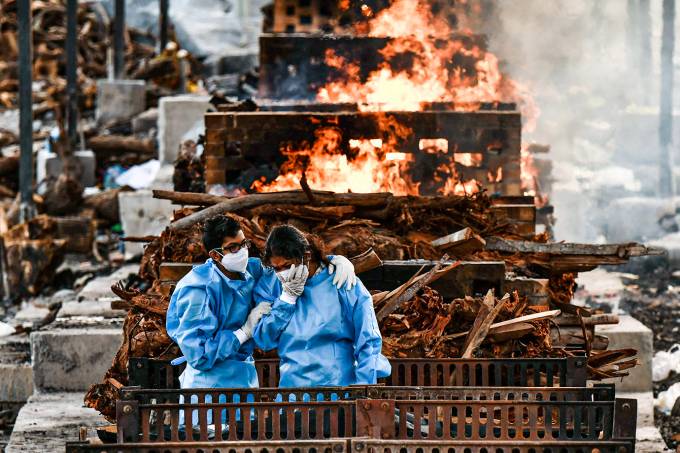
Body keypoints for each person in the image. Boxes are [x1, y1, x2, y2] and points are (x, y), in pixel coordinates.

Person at [166, 215, 358, 391]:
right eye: (233, 248)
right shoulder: (197, 290)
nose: (242, 252)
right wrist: (243, 333)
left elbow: (289, 262)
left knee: (245, 429)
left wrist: (333, 260)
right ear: (215, 255)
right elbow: (199, 355)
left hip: (245, 377)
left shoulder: (251, 269)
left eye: (244, 244)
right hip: (207, 388)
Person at [252, 225, 391, 388]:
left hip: (339, 393)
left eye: (287, 266)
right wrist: (286, 300)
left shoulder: (342, 281)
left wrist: (364, 387)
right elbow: (263, 340)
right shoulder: (272, 286)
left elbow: (368, 339)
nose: (282, 273)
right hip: (292, 396)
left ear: (306, 256)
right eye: (277, 268)